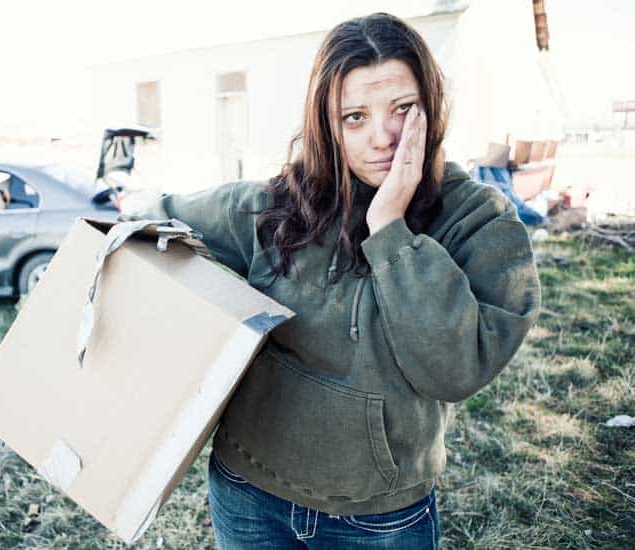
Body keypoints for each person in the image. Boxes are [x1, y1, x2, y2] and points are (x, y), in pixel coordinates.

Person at [124, 13, 541, 549]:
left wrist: (389, 226)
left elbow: (455, 370)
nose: (382, 138)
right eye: (354, 117)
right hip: (249, 493)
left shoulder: (478, 220)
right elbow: (151, 219)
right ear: (326, 123)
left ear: (432, 107)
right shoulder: (279, 205)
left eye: (403, 110)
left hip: (377, 517)